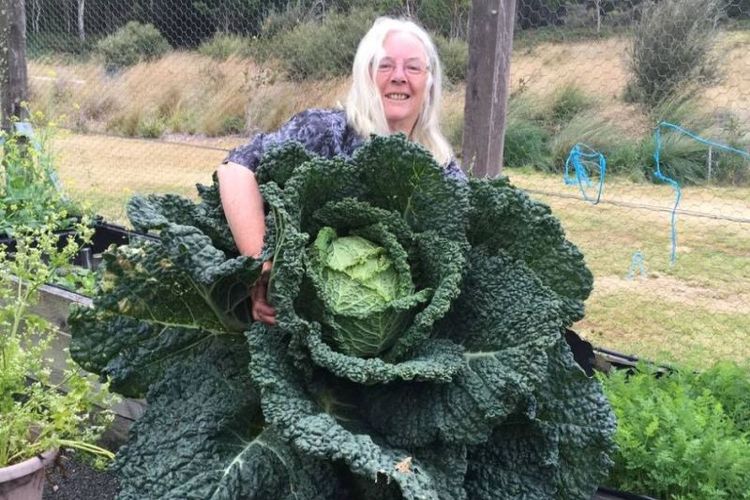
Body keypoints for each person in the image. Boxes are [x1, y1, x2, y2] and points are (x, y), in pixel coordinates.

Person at [217, 16, 464, 326]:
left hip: (402, 348)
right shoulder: (325, 133)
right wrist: (261, 269)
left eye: (413, 67)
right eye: (385, 65)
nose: (399, 77)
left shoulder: (441, 172)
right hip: (293, 325)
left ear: (429, 82)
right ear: (365, 74)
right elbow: (237, 169)